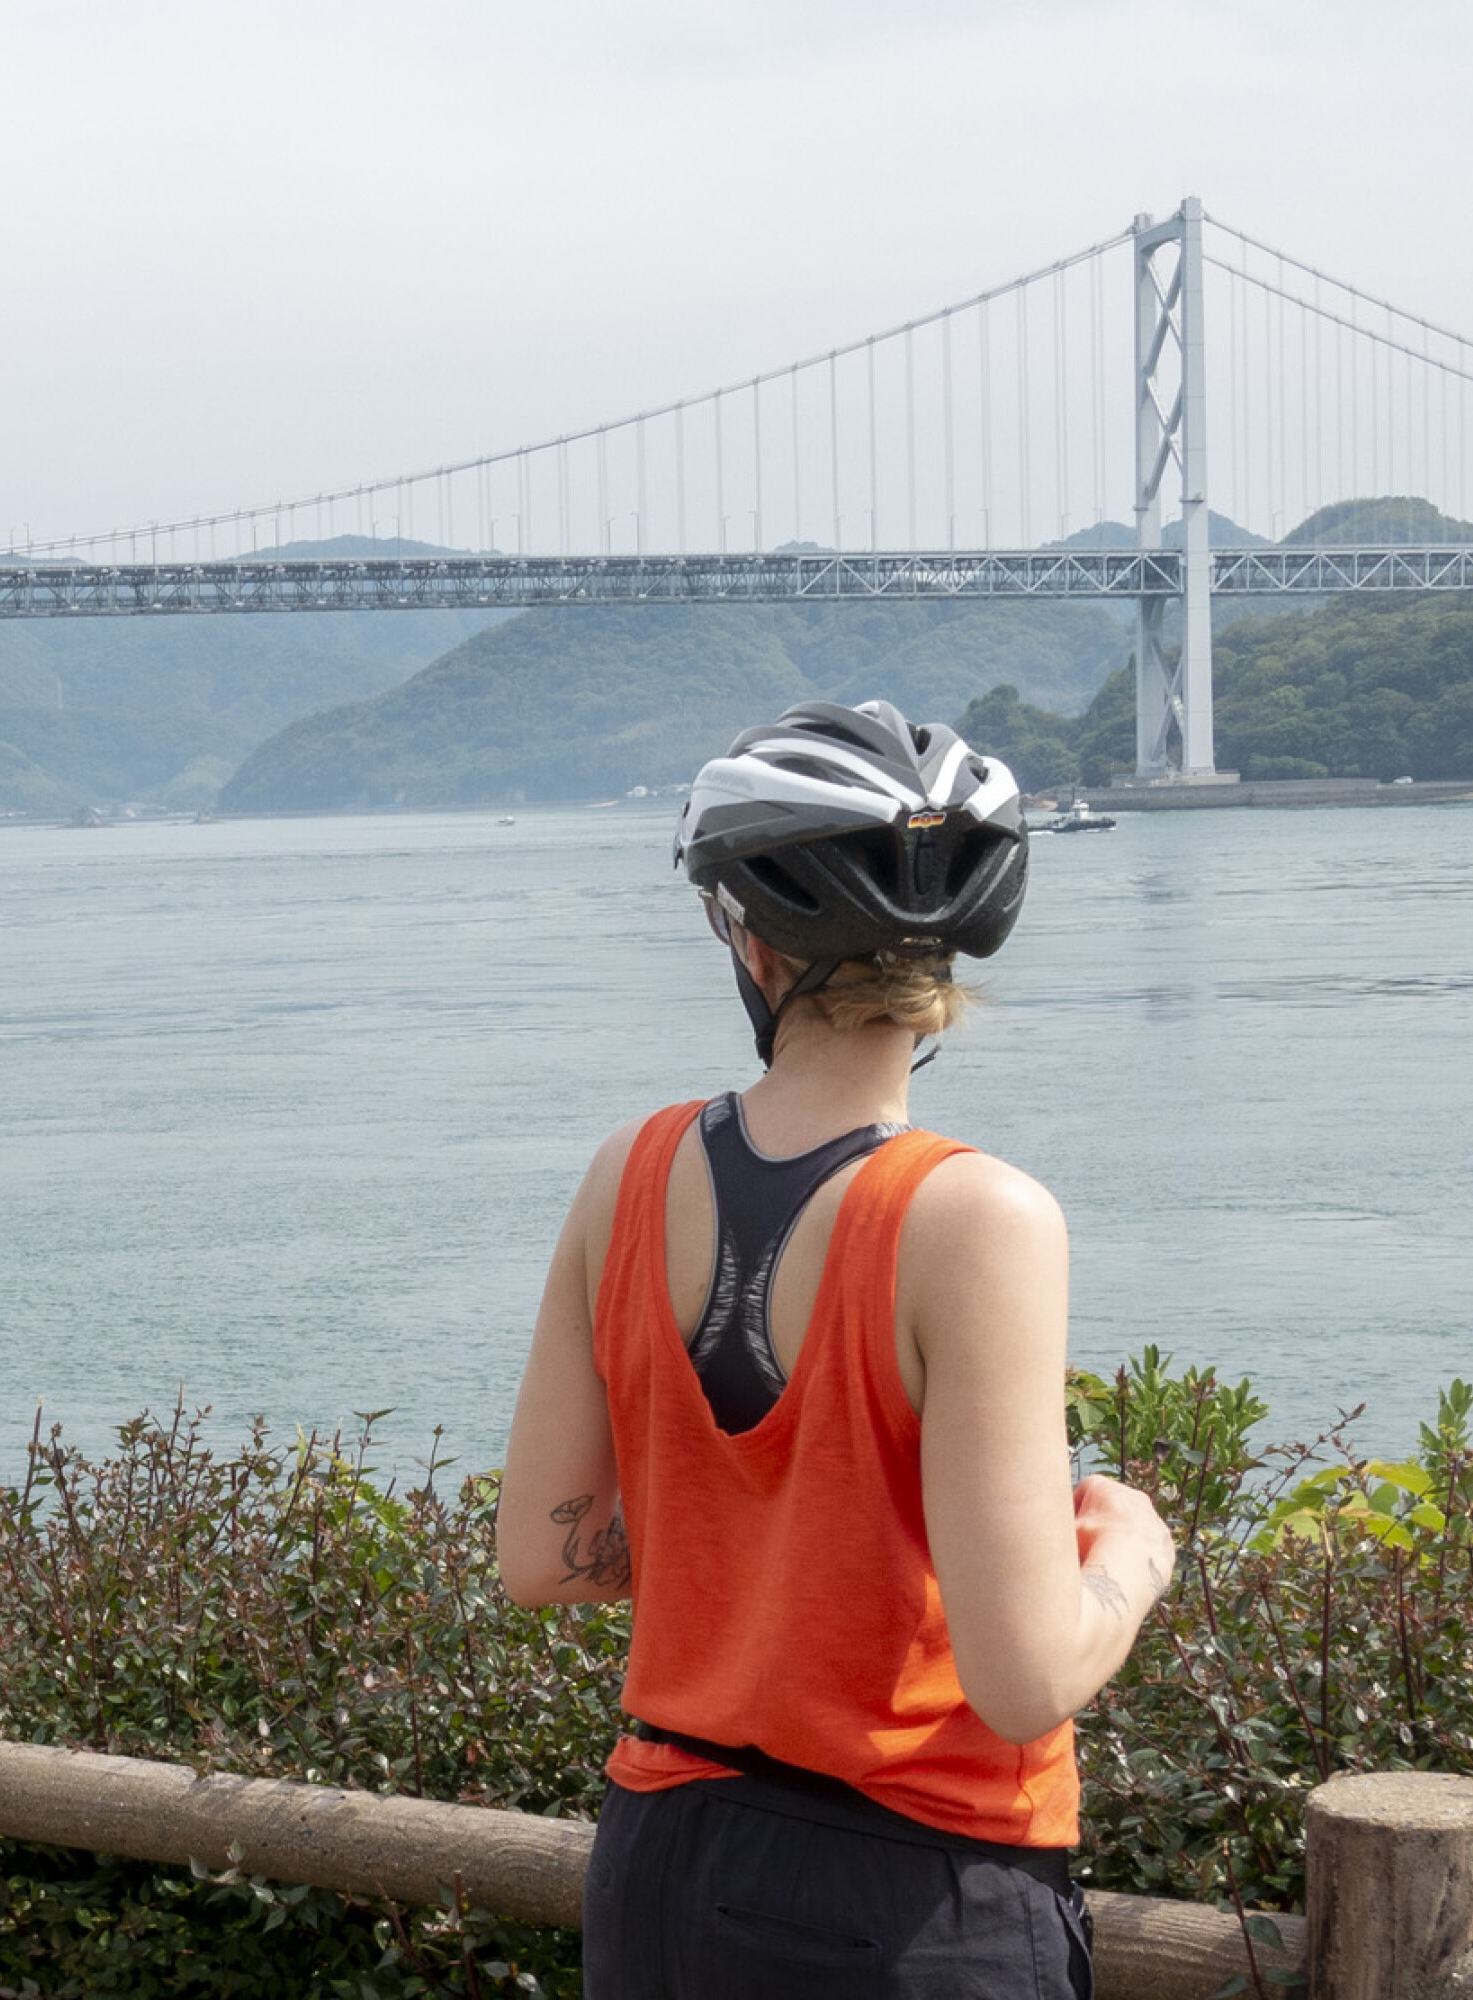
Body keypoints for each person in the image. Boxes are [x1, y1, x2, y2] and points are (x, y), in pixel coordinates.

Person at [498, 699, 1178, 2000]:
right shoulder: (978, 1218)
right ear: (957, 952)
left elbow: (542, 1555)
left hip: (662, 1873)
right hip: (914, 1898)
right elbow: (1027, 1675)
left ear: (749, 944)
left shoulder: (624, 1178)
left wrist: (760, 1544)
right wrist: (1133, 1559)